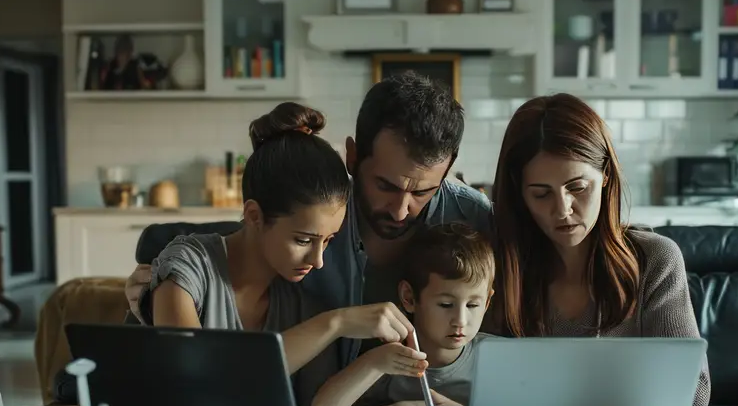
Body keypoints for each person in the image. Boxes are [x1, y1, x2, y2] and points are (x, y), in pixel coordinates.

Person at [124, 73, 493, 371]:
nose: (400, 210)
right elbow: (244, 239)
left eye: (423, 193)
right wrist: (164, 276)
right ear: (352, 157)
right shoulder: (319, 209)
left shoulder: (475, 219)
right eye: (385, 186)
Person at [141, 102, 423, 406]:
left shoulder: (302, 300)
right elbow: (198, 385)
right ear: (254, 215)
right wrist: (335, 323)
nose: (318, 261)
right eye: (303, 239)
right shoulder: (189, 266)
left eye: (328, 240)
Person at [489, 93, 711, 406]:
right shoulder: (497, 265)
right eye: (540, 194)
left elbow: (695, 395)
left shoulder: (656, 260)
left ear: (605, 174)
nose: (562, 210)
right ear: (519, 192)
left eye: (578, 188)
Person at [310, 223, 494, 406]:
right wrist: (373, 364)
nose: (460, 320)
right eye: (446, 304)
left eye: (473, 305)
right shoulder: (390, 358)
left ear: (487, 302)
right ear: (409, 298)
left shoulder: (499, 359)